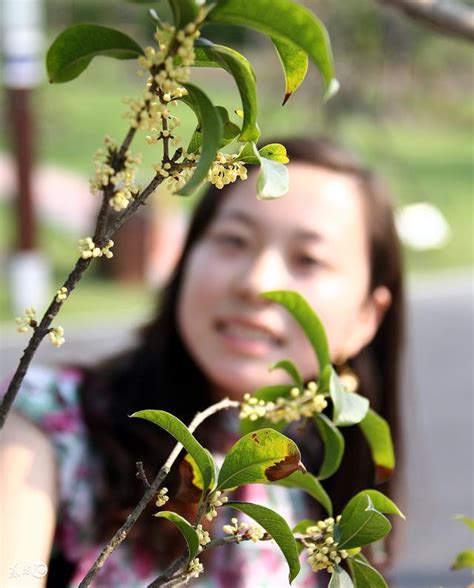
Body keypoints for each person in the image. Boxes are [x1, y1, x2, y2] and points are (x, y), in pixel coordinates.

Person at [0, 138, 404, 587]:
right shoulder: (50, 426)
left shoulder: (326, 495)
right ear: (186, 257)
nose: (257, 282)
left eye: (307, 259)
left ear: (368, 316)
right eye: (234, 240)